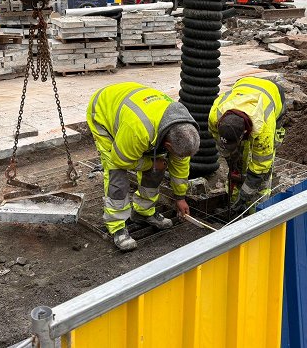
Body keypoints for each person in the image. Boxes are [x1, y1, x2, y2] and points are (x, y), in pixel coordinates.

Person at [86, 83, 200, 251]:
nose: (181, 158)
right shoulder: (138, 129)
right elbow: (121, 160)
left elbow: (180, 163)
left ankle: (143, 211)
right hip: (103, 111)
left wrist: (180, 197)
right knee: (117, 175)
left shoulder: (183, 128)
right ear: (167, 144)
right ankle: (117, 226)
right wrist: (152, 163)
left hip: (135, 110)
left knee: (158, 167)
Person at [208, 77, 286, 217]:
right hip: (244, 84)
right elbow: (219, 142)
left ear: (244, 133)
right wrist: (232, 161)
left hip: (272, 94)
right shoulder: (215, 115)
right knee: (238, 165)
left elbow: (260, 168)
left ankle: (257, 210)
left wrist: (245, 194)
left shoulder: (264, 129)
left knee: (263, 172)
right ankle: (233, 206)